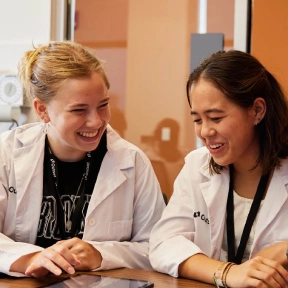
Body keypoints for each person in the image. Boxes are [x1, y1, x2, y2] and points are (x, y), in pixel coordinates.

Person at [0, 41, 165, 278]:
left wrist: (101, 254)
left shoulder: (132, 162)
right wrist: (31, 257)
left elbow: (157, 247)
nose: (96, 122)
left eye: (103, 105)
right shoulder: (6, 153)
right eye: (79, 110)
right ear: (42, 110)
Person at [149, 50, 288, 288]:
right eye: (197, 120)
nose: (205, 132)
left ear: (257, 110)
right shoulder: (198, 165)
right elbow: (163, 244)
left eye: (215, 118)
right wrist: (226, 273)